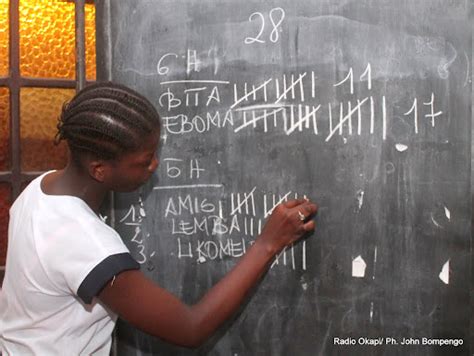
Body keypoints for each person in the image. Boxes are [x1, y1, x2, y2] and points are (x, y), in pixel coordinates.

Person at [0, 82, 317, 354]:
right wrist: (267, 243)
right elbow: (189, 328)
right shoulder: (88, 246)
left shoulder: (38, 190)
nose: (154, 166)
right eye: (143, 160)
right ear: (99, 169)